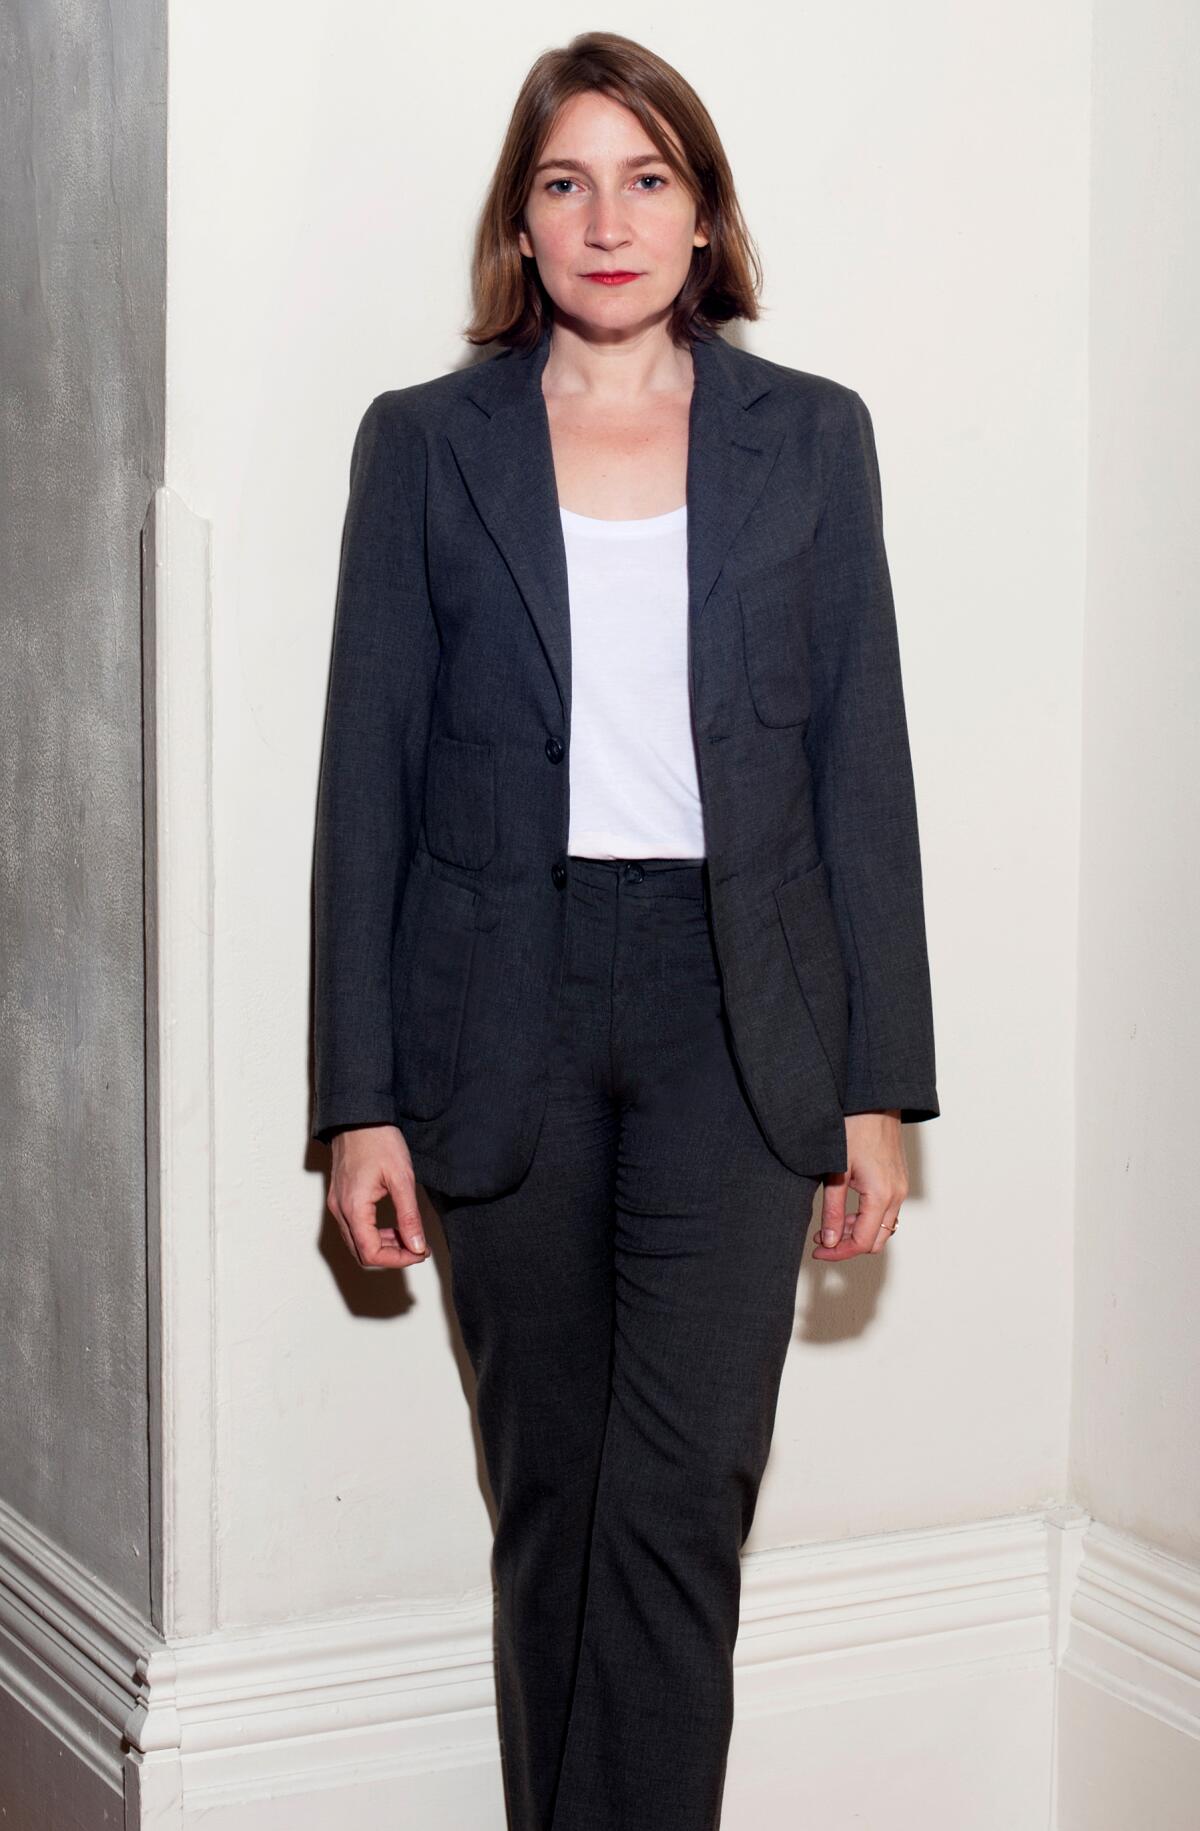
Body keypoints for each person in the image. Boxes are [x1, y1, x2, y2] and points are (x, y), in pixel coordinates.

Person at [311, 29, 939, 1831]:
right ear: (523, 219)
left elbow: (860, 771)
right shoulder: (426, 448)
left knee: (678, 1515)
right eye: (569, 180)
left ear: (703, 213)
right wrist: (359, 1098)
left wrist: (878, 1084)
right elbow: (370, 783)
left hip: (736, 1024)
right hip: (491, 1019)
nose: (610, 218)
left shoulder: (812, 439)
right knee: (552, 1515)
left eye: (649, 177)